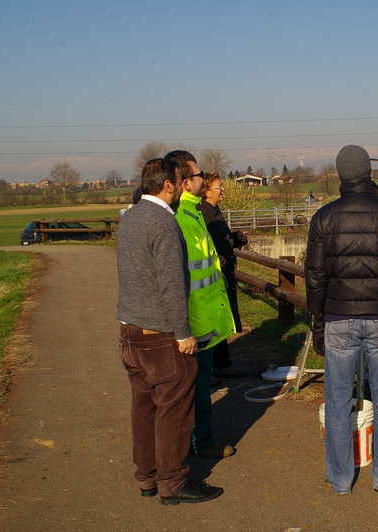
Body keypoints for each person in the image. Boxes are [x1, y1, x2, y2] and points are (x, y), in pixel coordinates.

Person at [305, 144, 378, 494]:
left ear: (341, 177)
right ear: (370, 173)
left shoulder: (323, 218)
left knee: (337, 399)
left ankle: (340, 479)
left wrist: (317, 323)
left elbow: (315, 276)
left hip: (339, 318)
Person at [116, 158, 223, 505]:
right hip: (161, 335)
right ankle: (173, 481)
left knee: (143, 407)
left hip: (130, 331)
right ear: (167, 186)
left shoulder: (129, 217)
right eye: (179, 183)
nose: (181, 189)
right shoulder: (164, 222)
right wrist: (183, 334)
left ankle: (146, 476)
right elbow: (172, 283)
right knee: (174, 409)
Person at [165, 150, 238, 459]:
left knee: (203, 386)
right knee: (196, 389)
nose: (203, 179)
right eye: (198, 175)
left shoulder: (193, 212)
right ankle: (200, 442)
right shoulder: (181, 219)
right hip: (195, 321)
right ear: (184, 183)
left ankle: (200, 438)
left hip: (204, 316)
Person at [197, 173, 248, 380]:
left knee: (220, 319)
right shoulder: (202, 213)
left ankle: (221, 363)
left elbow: (222, 239)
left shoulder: (214, 211)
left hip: (222, 274)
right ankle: (209, 368)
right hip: (212, 276)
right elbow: (205, 245)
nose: (223, 189)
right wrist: (226, 244)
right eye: (219, 186)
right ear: (207, 191)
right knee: (212, 322)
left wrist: (236, 239)